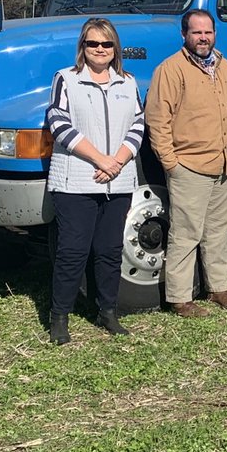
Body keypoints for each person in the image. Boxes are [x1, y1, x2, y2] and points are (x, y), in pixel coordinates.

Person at [144, 9, 227, 317]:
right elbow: (158, 120)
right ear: (184, 35)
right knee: (186, 232)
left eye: (208, 32)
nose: (203, 38)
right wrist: (171, 162)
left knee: (220, 228)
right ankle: (179, 298)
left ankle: (219, 288)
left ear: (214, 34)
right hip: (189, 166)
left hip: (226, 164)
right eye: (196, 32)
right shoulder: (171, 70)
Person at [46, 18, 145, 344]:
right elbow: (58, 123)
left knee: (110, 249)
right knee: (73, 251)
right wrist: (99, 159)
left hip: (117, 181)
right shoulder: (66, 80)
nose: (99, 50)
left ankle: (108, 312)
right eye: (93, 44)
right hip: (77, 181)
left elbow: (138, 125)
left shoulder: (128, 83)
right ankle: (59, 316)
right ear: (83, 47)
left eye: (106, 44)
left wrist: (117, 161)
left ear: (115, 48)